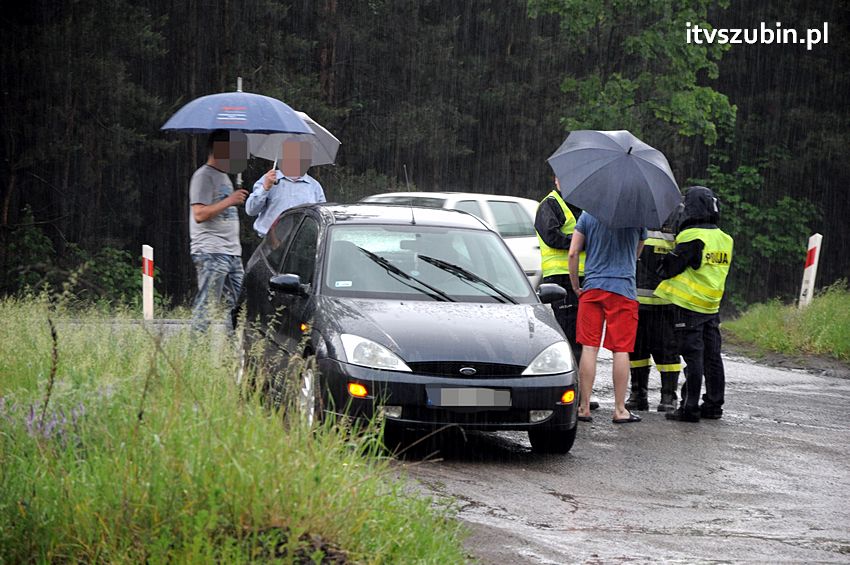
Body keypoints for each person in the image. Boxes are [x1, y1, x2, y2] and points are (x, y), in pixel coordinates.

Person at [655, 186, 734, 422]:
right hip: (712, 305)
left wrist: (661, 260)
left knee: (693, 357)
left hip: (689, 306)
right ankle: (714, 405)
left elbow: (669, 268)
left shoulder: (692, 236)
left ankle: (689, 408)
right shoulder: (724, 238)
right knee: (713, 356)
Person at [569, 211, 647, 423]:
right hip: (623, 290)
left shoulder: (588, 215)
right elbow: (637, 251)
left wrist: (576, 285)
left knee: (589, 347)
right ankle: (620, 409)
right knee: (621, 349)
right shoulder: (637, 217)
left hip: (592, 288)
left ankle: (584, 407)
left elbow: (573, 252)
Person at [535, 178, 599, 410]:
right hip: (560, 279)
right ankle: (573, 394)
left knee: (584, 337)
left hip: (585, 277)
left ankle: (582, 394)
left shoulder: (584, 205)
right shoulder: (550, 204)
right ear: (556, 180)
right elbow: (551, 237)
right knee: (571, 336)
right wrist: (580, 242)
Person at [189, 130, 249, 332]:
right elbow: (199, 214)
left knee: (239, 305)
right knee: (207, 305)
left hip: (231, 252)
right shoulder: (203, 176)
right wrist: (230, 200)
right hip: (212, 250)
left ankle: (232, 347)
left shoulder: (223, 176)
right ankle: (196, 348)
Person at [626, 224, 682, 412]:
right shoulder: (634, 214)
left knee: (667, 349)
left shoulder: (678, 216)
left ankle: (668, 396)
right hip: (635, 297)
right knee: (636, 349)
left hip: (666, 299)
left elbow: (683, 254)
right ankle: (638, 393)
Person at [245, 139, 326, 237]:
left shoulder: (314, 187)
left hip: (300, 241)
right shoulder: (268, 179)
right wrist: (265, 188)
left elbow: (321, 218)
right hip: (268, 241)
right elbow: (251, 210)